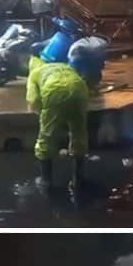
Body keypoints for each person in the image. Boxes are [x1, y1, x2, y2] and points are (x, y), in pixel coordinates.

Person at [26, 42, 91, 190]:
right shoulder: (63, 66)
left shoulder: (34, 74)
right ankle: (78, 179)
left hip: (54, 91)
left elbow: (34, 101)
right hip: (80, 88)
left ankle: (45, 180)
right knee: (79, 132)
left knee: (46, 137)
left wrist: (45, 114)